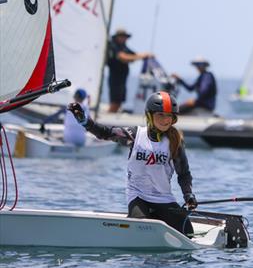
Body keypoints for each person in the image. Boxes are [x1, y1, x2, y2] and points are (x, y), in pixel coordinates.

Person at [67, 91, 198, 236]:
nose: (165, 119)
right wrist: (86, 121)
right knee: (142, 227)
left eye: (169, 116)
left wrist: (188, 195)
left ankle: (156, 217)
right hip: (138, 196)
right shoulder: (135, 135)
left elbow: (184, 174)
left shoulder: (175, 142)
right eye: (160, 114)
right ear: (149, 115)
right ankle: (146, 218)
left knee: (188, 232)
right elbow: (106, 133)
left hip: (163, 198)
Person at [107, 28, 152, 113]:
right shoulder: (113, 46)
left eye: (125, 37)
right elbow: (122, 57)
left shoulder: (123, 46)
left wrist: (145, 55)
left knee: (119, 102)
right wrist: (141, 56)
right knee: (115, 102)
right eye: (122, 36)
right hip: (115, 78)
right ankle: (107, 120)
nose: (124, 39)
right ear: (117, 37)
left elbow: (133, 54)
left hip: (122, 79)